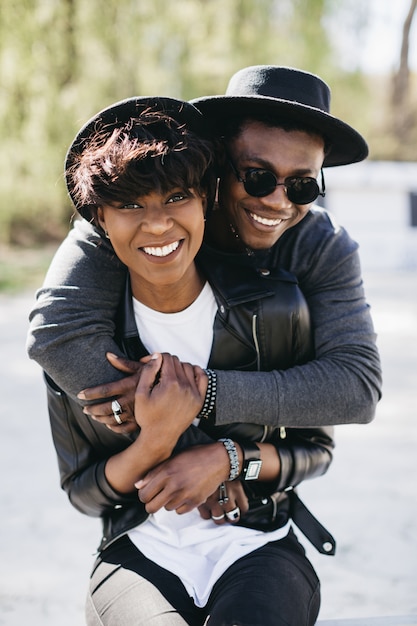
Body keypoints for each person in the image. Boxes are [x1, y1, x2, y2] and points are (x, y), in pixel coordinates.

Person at [42, 95, 334, 625]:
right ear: (99, 222)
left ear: (206, 199)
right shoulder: (82, 338)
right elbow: (85, 496)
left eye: (176, 196)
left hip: (260, 542)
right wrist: (156, 438)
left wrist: (226, 458)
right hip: (139, 550)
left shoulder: (274, 311)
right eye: (130, 205)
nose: (156, 225)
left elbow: (315, 448)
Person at [27, 65, 382, 434]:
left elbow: (357, 386)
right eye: (257, 177)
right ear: (217, 164)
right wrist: (174, 441)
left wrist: (201, 394)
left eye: (302, 186)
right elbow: (55, 333)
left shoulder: (323, 244)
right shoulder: (146, 222)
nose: (278, 202)